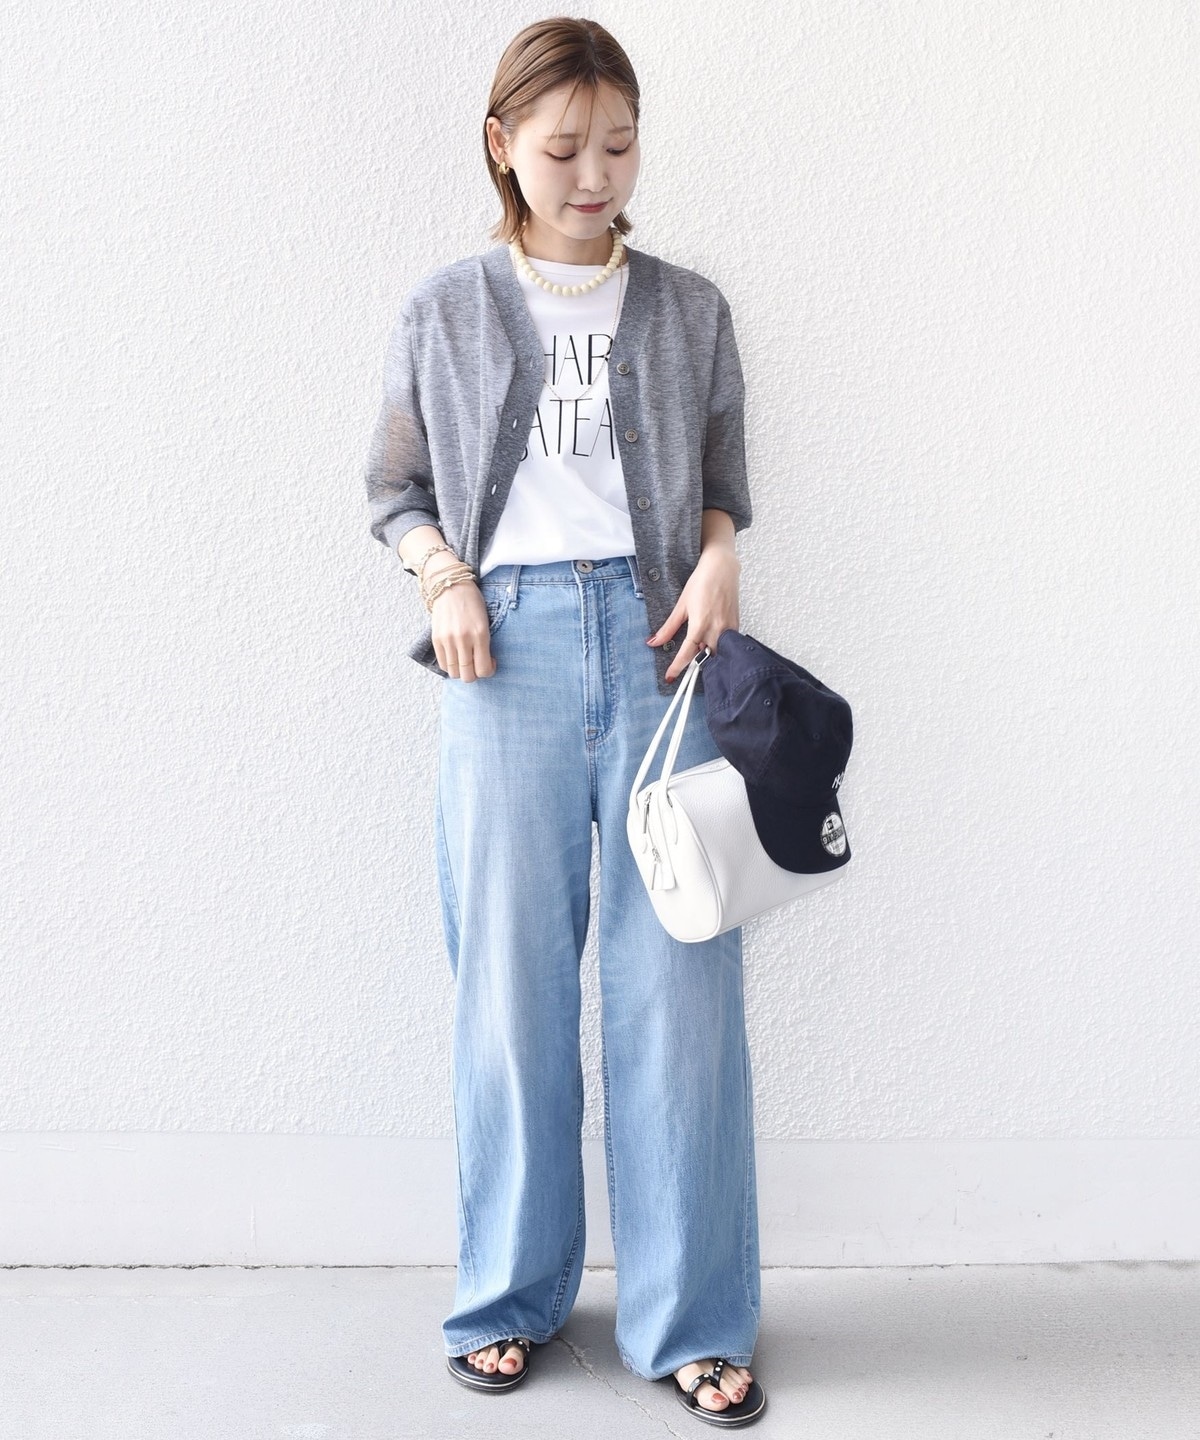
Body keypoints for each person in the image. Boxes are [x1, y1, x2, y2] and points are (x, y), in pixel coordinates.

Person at [364, 17, 766, 1427]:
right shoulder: (445, 311)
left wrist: (720, 556)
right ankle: (507, 1296)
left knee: (681, 991)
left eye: (619, 146)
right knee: (509, 988)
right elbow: (395, 492)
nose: (595, 176)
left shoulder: (690, 309)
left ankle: (693, 1319)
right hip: (504, 653)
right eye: (564, 150)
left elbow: (720, 482)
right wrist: (446, 579)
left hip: (666, 649)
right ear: (503, 147)